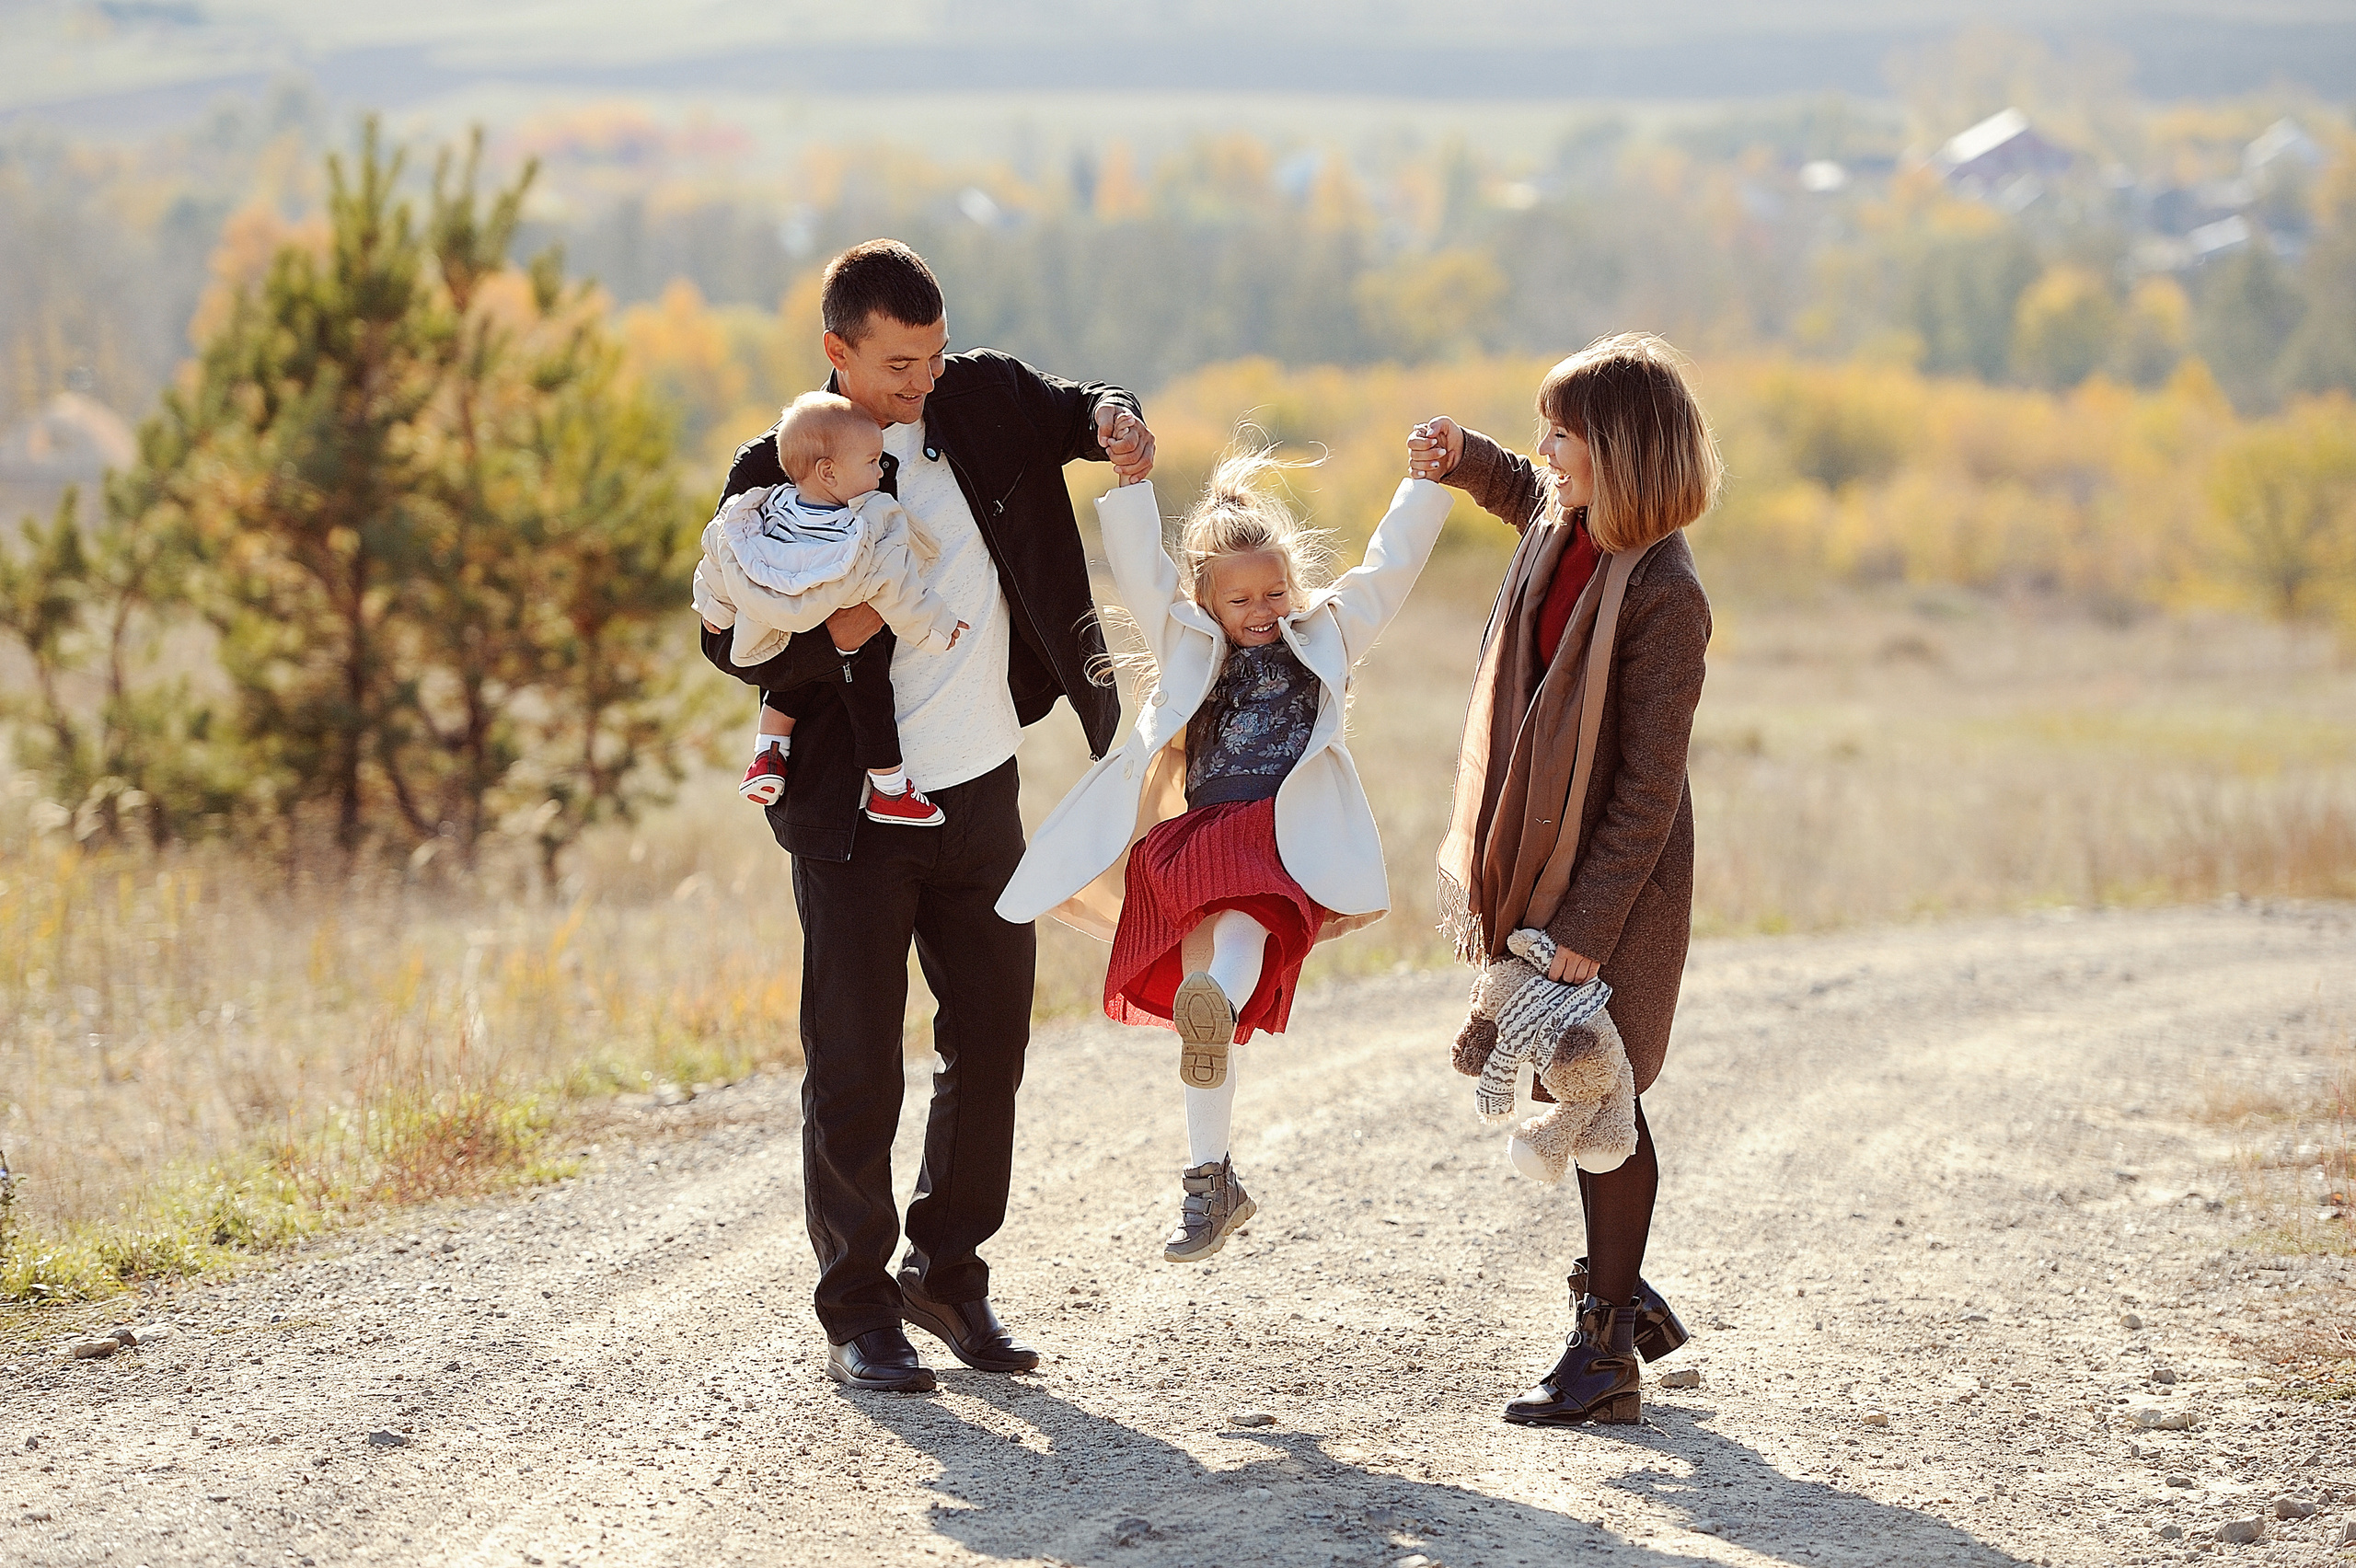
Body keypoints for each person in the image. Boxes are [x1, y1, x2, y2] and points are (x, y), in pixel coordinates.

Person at [699, 240, 1154, 1392]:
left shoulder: (985, 399)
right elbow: (721, 633)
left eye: (935, 354)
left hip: (982, 789)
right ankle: (857, 1310)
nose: (922, 381)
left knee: (992, 1044)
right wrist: (827, 636)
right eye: (900, 364)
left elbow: (1080, 405)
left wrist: (1113, 420)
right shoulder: (778, 460)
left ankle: (947, 1274)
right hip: (851, 811)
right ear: (837, 353)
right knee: (854, 1066)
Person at [996, 449, 1452, 1262]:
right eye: (1240, 598)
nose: (1262, 609)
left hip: (1282, 835)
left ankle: (1213, 1000)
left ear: (1294, 587)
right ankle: (1210, 1180)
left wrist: (1422, 484)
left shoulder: (1325, 633)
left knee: (1236, 934)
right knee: (1206, 1023)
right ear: (1208, 597)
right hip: (1198, 837)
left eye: (1275, 592)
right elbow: (1143, 574)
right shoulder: (1188, 641)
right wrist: (1134, 489)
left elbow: (1387, 568)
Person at [1407, 331, 1721, 1426]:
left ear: (1620, 455)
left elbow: (1645, 785)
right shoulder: (1566, 520)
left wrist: (1588, 927)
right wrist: (1466, 458)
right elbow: (1519, 492)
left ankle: (1604, 1359)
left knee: (1602, 1093)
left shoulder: (1665, 594)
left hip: (1619, 879)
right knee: (1573, 1083)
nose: (1544, 450)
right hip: (1547, 849)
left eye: (1562, 435)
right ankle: (1623, 1295)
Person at [695, 390, 969, 827]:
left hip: (773, 625)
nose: (881, 470)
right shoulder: (863, 526)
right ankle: (890, 788)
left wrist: (715, 607)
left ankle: (768, 752)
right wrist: (936, 627)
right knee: (871, 698)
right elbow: (895, 588)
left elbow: (725, 556)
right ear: (829, 471)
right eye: (873, 462)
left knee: (790, 674)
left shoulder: (768, 510)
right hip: (846, 638)